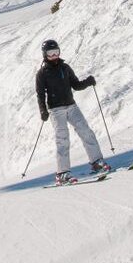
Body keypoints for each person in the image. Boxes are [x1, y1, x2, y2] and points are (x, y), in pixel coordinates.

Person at [35, 39, 111, 186]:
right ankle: (62, 173)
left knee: (86, 131)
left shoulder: (65, 68)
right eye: (50, 53)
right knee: (62, 139)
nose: (54, 56)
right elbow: (40, 94)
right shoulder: (42, 73)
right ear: (45, 55)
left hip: (71, 106)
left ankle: (97, 162)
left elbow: (76, 85)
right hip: (56, 110)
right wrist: (43, 111)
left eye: (56, 52)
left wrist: (88, 82)